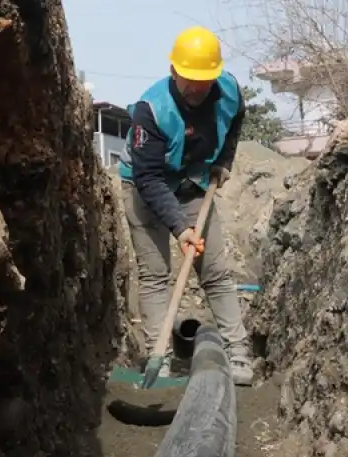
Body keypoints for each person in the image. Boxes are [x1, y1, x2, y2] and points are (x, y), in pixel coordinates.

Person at [117, 25, 254, 386]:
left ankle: (237, 350)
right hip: (145, 187)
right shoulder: (151, 110)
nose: (196, 87)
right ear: (174, 71)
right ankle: (157, 358)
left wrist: (223, 160)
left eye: (204, 79)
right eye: (189, 78)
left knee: (216, 270)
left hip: (194, 182)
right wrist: (181, 228)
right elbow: (148, 179)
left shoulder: (229, 92)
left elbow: (237, 121)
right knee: (155, 275)